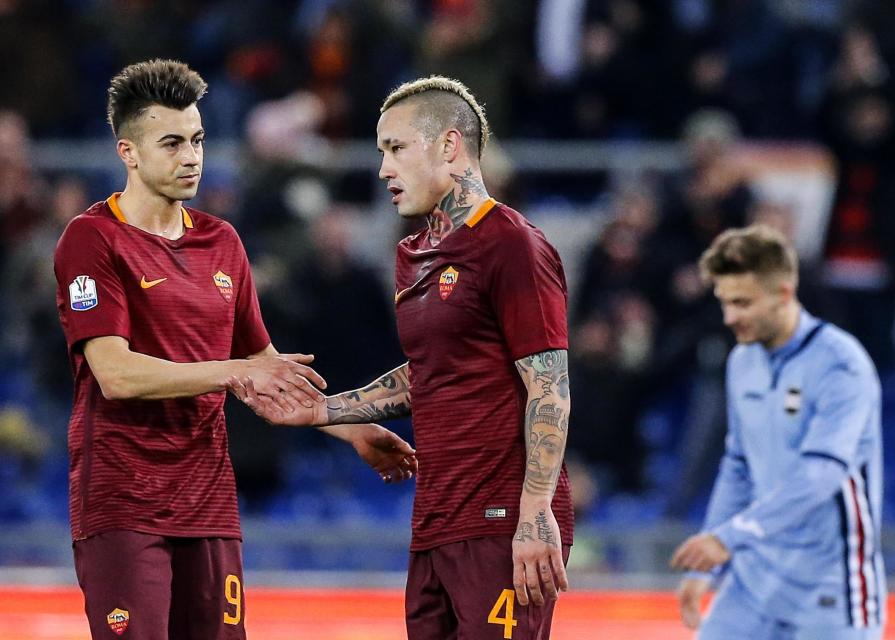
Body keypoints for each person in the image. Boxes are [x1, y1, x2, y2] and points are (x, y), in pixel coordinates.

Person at [53, 59, 416, 640]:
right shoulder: (93, 239)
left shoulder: (222, 242)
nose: (190, 156)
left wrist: (348, 427)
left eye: (197, 140)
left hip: (208, 496)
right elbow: (115, 373)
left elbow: (264, 369)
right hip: (124, 498)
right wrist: (231, 373)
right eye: (171, 143)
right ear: (129, 152)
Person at [231, 75, 575, 639]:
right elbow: (430, 374)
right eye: (380, 152)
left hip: (500, 515)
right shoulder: (413, 255)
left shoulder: (513, 245)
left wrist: (536, 509)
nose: (384, 169)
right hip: (437, 515)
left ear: (448, 146)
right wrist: (325, 412)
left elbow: (549, 385)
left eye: (396, 148)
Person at [670, 224, 885, 639]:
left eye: (743, 303)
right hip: (753, 582)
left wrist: (731, 537)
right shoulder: (741, 363)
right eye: (725, 302)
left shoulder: (841, 364)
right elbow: (738, 468)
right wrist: (710, 564)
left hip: (829, 588)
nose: (730, 317)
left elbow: (821, 474)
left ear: (783, 293)